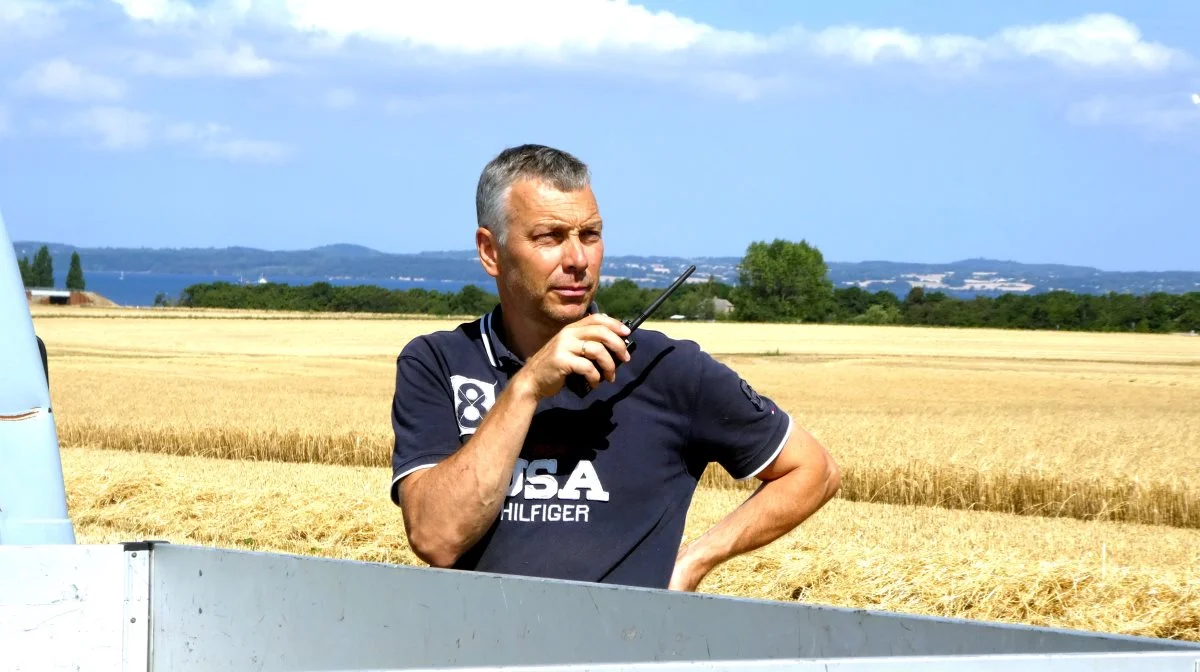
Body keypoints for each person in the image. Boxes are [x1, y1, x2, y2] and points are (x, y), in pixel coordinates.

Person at [389, 144, 840, 591]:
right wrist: (526, 386)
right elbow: (437, 539)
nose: (578, 260)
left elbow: (813, 470)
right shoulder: (438, 363)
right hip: (476, 655)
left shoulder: (667, 369)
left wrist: (694, 562)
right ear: (491, 251)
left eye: (590, 235)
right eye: (549, 237)